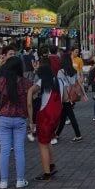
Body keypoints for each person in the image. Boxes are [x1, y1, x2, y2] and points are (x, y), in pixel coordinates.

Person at [0, 54, 32, 189]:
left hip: (4, 118)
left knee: (4, 150)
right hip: (20, 118)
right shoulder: (26, 82)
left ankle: (4, 181)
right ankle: (20, 180)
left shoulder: (1, 81)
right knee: (19, 149)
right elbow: (30, 101)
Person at [32, 50, 62, 180]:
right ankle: (52, 165)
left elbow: (31, 92)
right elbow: (65, 98)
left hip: (44, 116)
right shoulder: (59, 81)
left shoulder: (41, 82)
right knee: (48, 140)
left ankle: (46, 173)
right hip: (56, 116)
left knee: (42, 144)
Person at [56, 55, 83, 142]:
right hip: (71, 96)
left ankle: (78, 135)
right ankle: (57, 134)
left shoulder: (61, 72)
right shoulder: (74, 71)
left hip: (64, 96)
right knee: (63, 117)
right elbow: (76, 83)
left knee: (71, 117)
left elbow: (60, 85)